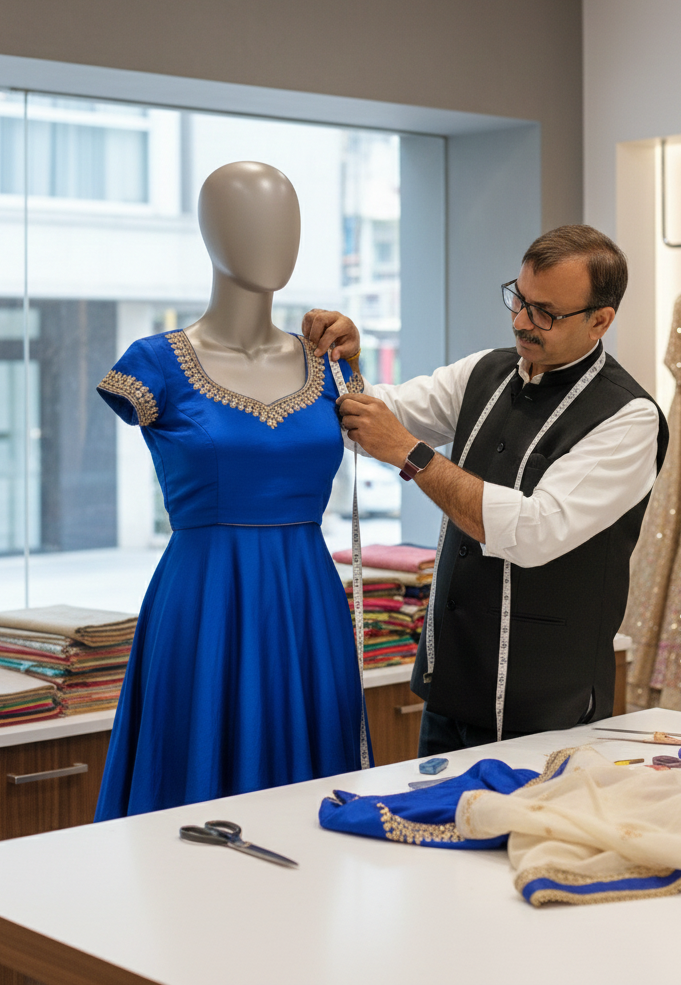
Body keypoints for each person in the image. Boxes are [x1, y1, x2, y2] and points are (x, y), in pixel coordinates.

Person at [304, 224, 669, 756]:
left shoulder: (629, 419)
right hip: (449, 683)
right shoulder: (485, 371)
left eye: (545, 312)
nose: (522, 321)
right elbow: (378, 420)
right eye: (518, 299)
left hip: (548, 703)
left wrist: (411, 453)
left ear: (600, 320)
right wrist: (345, 368)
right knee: (427, 833)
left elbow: (531, 532)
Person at [94, 163, 370, 820]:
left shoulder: (333, 364)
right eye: (247, 218)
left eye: (286, 221)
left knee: (310, 796)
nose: (274, 238)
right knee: (192, 778)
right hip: (204, 598)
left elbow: (391, 430)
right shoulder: (151, 364)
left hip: (307, 594)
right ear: (209, 232)